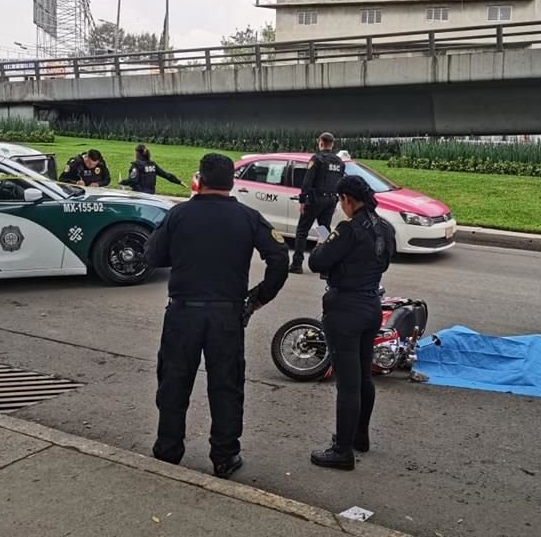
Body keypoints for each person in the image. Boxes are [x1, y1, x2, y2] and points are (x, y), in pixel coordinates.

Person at [144, 153, 289, 478]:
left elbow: (152, 255)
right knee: (226, 386)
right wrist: (258, 297)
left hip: (183, 312)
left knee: (174, 382)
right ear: (231, 182)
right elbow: (279, 259)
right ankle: (224, 455)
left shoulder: (179, 214)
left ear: (200, 179)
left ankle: (168, 450)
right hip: (227, 315)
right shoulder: (249, 217)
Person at [307, 175, 397, 471]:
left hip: (345, 307)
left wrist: (324, 243)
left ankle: (342, 450)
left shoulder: (348, 229)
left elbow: (317, 262)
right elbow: (384, 262)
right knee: (363, 377)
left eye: (340, 201)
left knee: (347, 384)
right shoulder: (384, 227)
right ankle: (360, 436)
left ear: (347, 199)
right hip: (371, 303)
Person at [290, 132, 345, 274]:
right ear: (332, 144)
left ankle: (297, 264)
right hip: (330, 201)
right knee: (324, 231)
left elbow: (307, 181)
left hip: (315, 201)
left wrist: (302, 200)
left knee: (302, 231)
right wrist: (336, 200)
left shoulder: (317, 159)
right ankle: (325, 266)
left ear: (320, 143)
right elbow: (340, 182)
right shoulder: (339, 162)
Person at [119, 143, 183, 194]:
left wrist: (122, 182)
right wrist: (179, 182)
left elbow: (133, 180)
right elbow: (165, 175)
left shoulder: (136, 165)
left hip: (139, 195)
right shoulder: (152, 165)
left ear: (137, 153)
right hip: (151, 194)